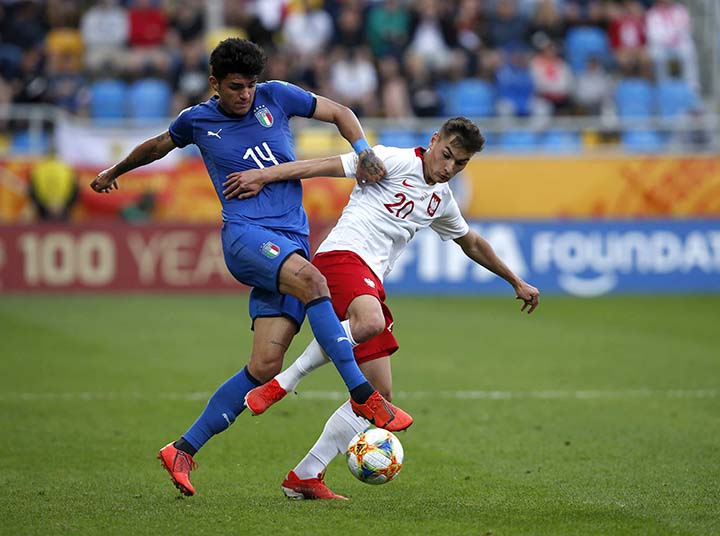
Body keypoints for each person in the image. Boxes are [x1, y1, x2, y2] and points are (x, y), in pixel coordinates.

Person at [90, 38, 412, 497]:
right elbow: (158, 146)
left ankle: (183, 448)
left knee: (264, 365)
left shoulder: (276, 96)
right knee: (313, 281)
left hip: (291, 241)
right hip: (245, 237)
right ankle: (364, 395)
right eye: (236, 87)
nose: (245, 95)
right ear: (214, 84)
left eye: (250, 86)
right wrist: (115, 171)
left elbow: (341, 112)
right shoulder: (198, 120)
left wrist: (362, 149)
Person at [223, 117, 540, 500]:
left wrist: (515, 281)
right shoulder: (391, 160)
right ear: (434, 140)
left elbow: (470, 242)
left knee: (380, 393)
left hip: (370, 279)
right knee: (369, 321)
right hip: (342, 258)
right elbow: (318, 165)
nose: (449, 169)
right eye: (447, 156)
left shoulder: (441, 199)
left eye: (461, 164)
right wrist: (263, 176)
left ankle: (305, 475)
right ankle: (284, 382)